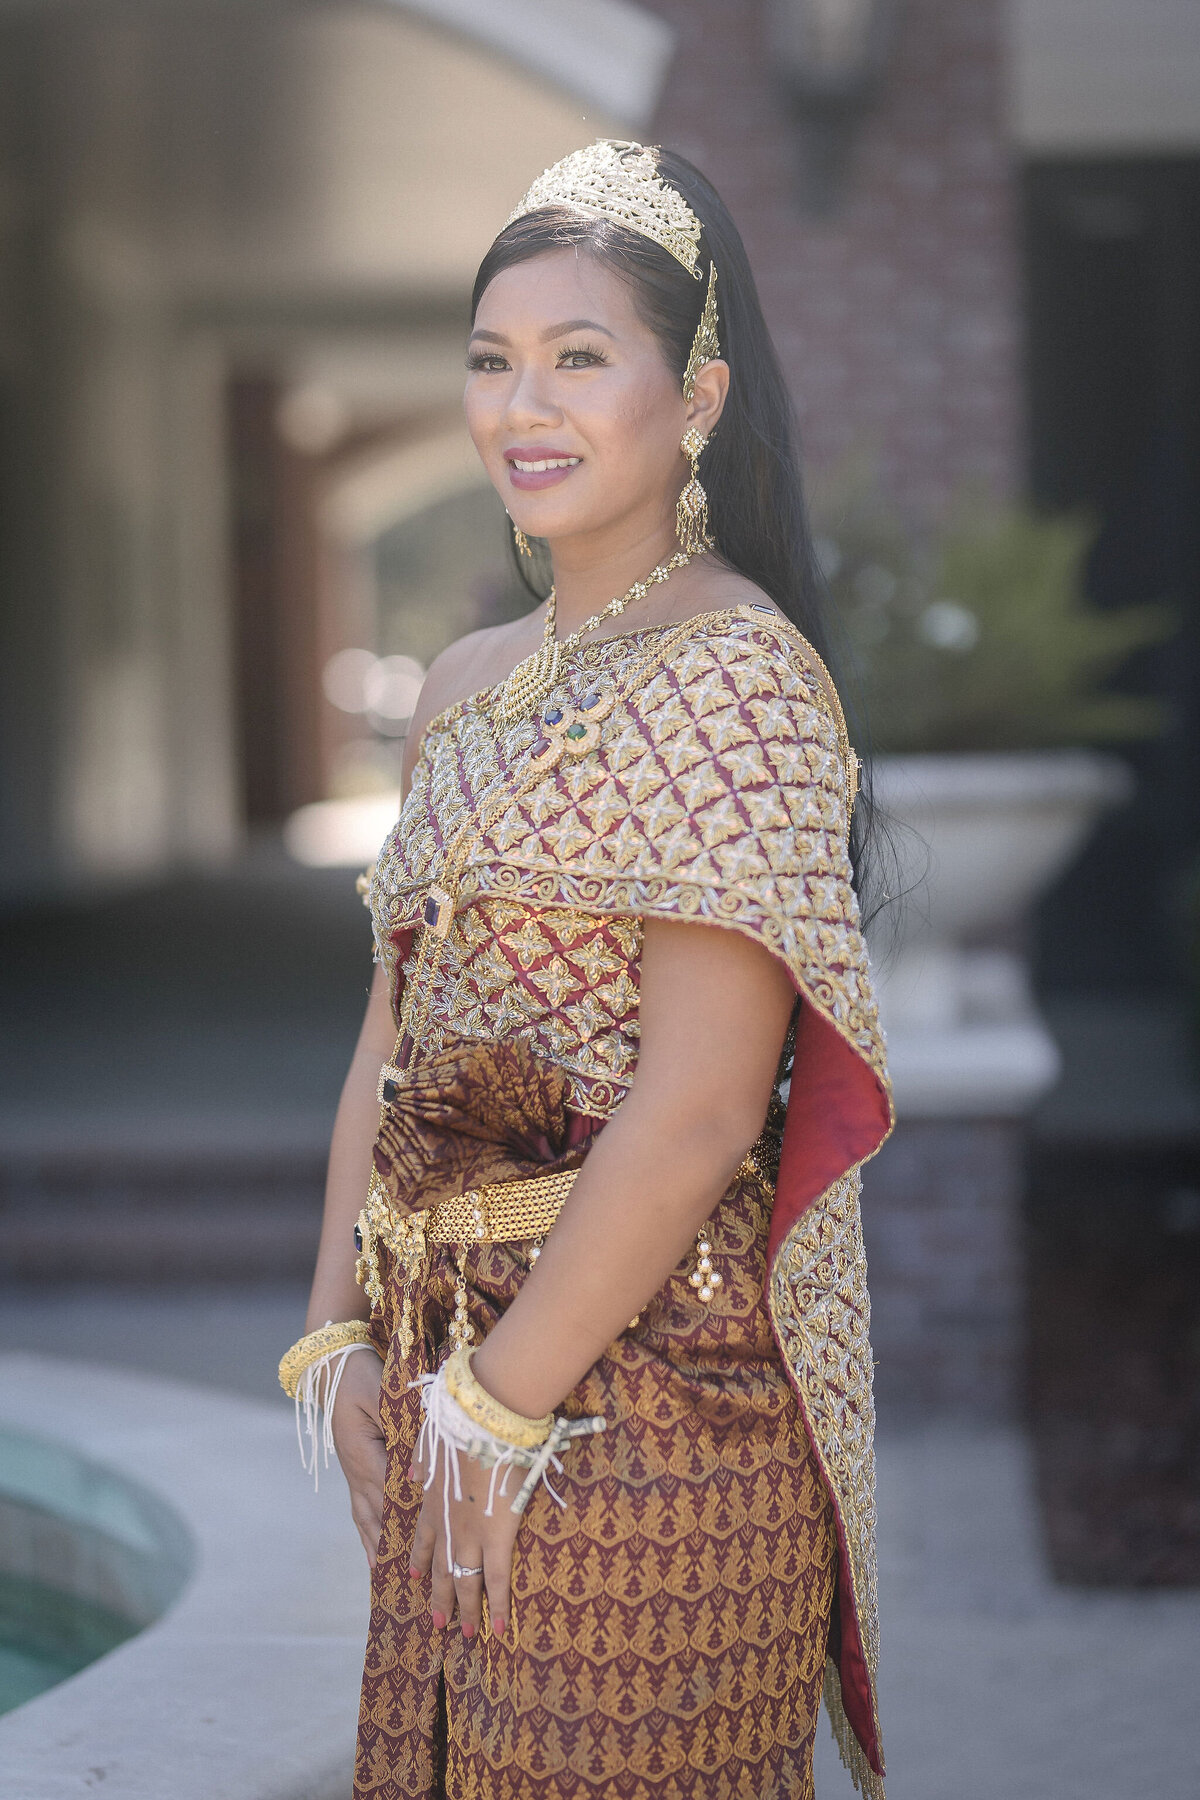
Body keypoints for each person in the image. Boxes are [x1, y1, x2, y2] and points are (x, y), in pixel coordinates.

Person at [279, 140, 893, 1800]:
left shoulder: (743, 675)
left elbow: (697, 1113)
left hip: (655, 1405)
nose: (518, 403)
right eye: (489, 359)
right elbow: (386, 1035)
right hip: (443, 1369)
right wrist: (333, 1329)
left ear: (692, 397)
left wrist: (496, 1407)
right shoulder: (465, 680)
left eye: (576, 356)